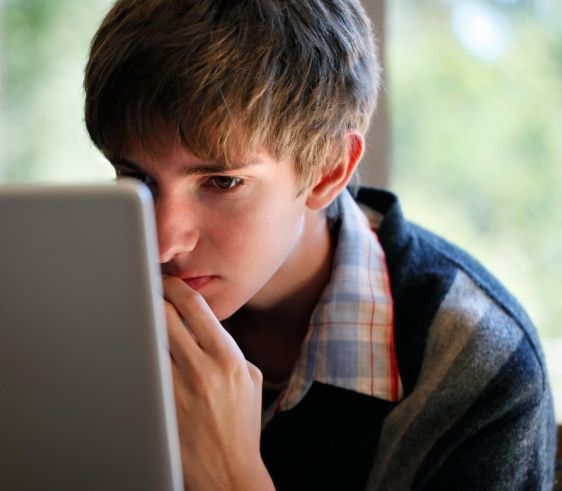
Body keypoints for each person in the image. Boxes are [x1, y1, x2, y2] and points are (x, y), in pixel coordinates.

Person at [83, 0, 556, 489]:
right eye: (137, 177)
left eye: (222, 182)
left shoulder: (475, 369)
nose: (161, 242)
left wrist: (232, 479)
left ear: (329, 170)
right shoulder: (89, 306)